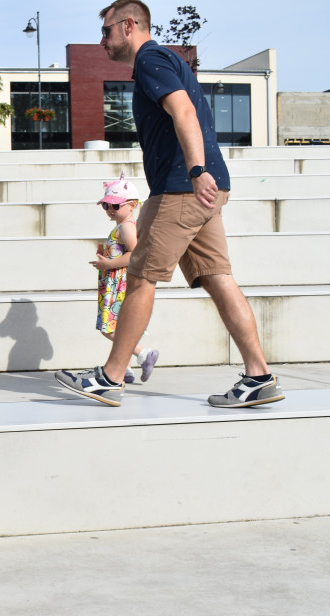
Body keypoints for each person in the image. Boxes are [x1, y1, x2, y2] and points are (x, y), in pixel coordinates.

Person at [55, 0, 284, 408]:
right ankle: (259, 375)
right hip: (199, 187)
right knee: (217, 276)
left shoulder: (151, 59)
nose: (102, 41)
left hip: (183, 187)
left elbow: (184, 111)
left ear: (129, 26)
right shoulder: (164, 60)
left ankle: (109, 378)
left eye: (106, 31)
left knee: (141, 274)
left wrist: (196, 171)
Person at [89, 172, 159, 384]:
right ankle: (125, 368)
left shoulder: (126, 227)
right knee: (120, 325)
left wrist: (108, 264)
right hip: (115, 283)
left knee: (108, 328)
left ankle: (143, 353)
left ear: (133, 205)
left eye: (115, 205)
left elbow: (135, 254)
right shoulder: (121, 226)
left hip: (119, 285)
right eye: (106, 205)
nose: (110, 209)